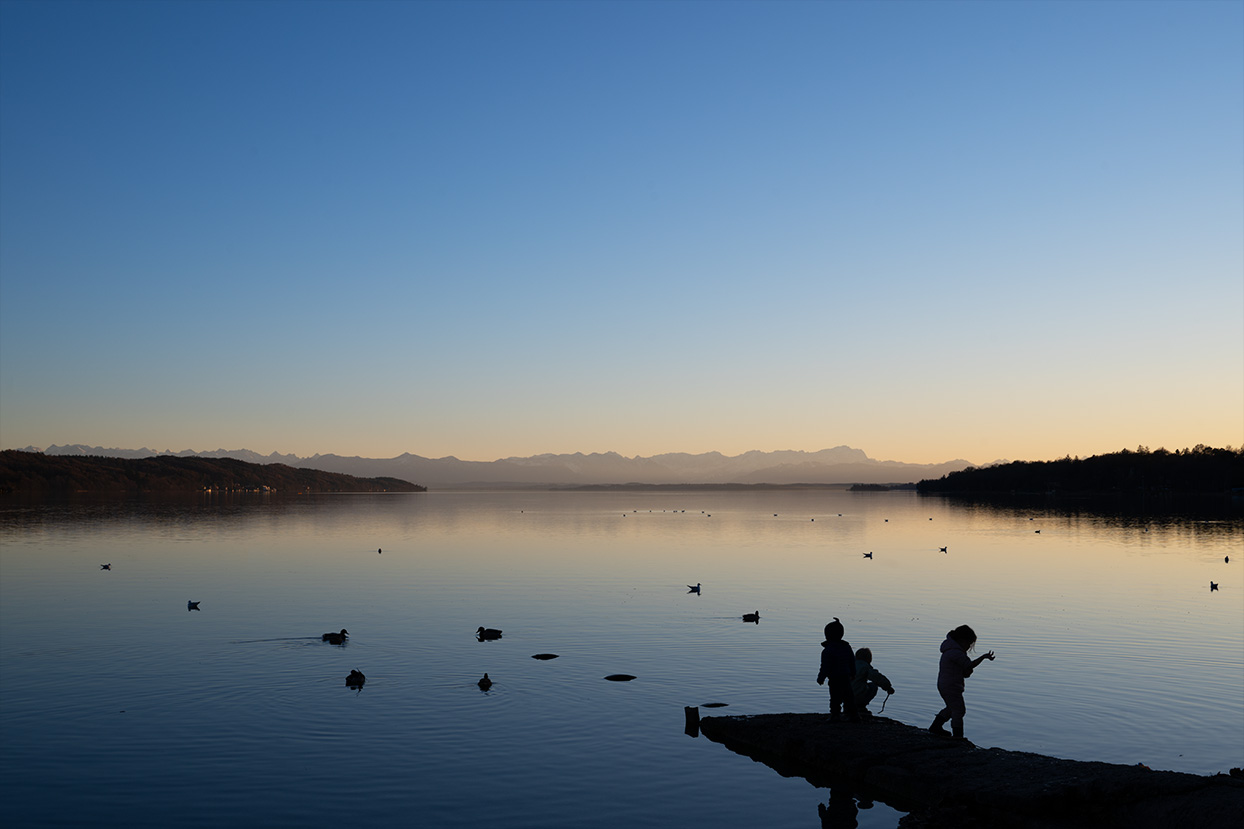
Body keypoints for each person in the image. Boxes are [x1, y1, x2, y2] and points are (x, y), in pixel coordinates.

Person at [929, 624, 995, 740]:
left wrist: (967, 671)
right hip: (951, 686)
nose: (969, 647)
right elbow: (969, 665)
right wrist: (983, 657)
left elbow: (964, 671)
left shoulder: (950, 650)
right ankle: (958, 737)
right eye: (968, 644)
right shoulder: (956, 652)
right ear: (961, 640)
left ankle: (936, 727)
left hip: (946, 684)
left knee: (951, 708)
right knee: (959, 710)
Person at [816, 617, 859, 722]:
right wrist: (853, 673)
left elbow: (825, 666)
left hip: (835, 678)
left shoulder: (827, 651)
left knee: (835, 698)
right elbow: (852, 662)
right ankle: (854, 715)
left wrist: (821, 678)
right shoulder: (846, 647)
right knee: (849, 697)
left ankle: (835, 715)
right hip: (846, 676)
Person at [851, 647, 895, 717]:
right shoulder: (865, 667)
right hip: (857, 696)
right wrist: (888, 687)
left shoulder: (849, 665)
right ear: (869, 659)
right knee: (873, 686)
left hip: (845, 696)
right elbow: (877, 678)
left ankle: (848, 706)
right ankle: (860, 706)